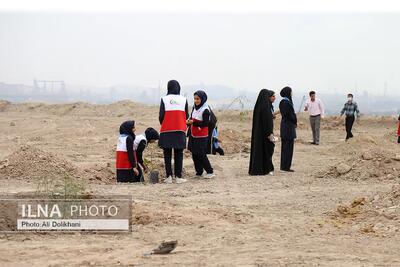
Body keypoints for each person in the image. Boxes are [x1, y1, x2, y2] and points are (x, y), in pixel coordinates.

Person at [159, 80, 189, 184]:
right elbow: (187, 116)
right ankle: (178, 177)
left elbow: (161, 116)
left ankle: (168, 177)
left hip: (166, 129)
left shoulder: (164, 99)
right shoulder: (184, 99)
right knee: (179, 153)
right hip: (180, 129)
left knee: (167, 153)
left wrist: (166, 123)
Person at [187, 90, 215, 179]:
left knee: (201, 153)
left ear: (202, 99)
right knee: (194, 153)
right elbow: (191, 118)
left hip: (202, 136)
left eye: (198, 99)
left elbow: (205, 124)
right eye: (194, 98)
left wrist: (194, 122)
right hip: (193, 134)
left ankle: (210, 171)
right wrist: (188, 122)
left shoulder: (206, 110)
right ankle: (199, 171)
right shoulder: (194, 108)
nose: (196, 100)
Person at [249, 89, 275, 176]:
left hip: (258, 134)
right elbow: (267, 121)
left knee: (259, 151)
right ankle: (265, 169)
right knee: (268, 150)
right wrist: (269, 133)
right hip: (265, 134)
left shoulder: (258, 106)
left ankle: (258, 169)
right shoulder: (266, 107)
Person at [279, 86, 297, 172]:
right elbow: (291, 116)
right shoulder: (287, 103)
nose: (292, 93)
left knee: (284, 148)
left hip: (284, 126)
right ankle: (286, 167)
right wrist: (295, 122)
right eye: (291, 92)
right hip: (289, 127)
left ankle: (283, 166)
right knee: (288, 148)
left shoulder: (282, 102)